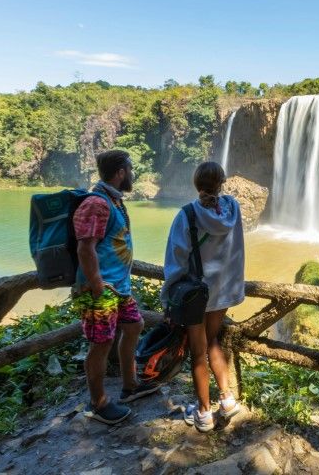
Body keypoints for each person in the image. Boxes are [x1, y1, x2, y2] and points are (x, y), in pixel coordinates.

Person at [73, 149, 158, 425]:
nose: (132, 174)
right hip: (101, 290)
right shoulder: (97, 203)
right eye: (130, 169)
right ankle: (98, 404)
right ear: (121, 172)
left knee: (134, 326)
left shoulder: (113, 200)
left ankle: (130, 385)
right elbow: (85, 248)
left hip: (118, 288)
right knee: (101, 344)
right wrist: (97, 285)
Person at [161, 161, 245, 432]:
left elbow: (175, 260)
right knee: (213, 343)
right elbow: (237, 249)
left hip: (195, 294)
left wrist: (168, 297)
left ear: (196, 185)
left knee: (198, 353)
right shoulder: (233, 209)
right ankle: (227, 399)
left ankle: (204, 412)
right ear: (222, 182)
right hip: (221, 290)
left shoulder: (186, 215)